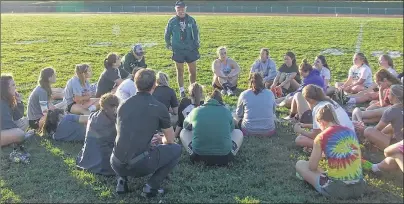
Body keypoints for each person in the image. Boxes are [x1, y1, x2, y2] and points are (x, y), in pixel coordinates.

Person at [110, 69, 181, 197]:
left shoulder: (122, 105)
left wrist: (147, 138)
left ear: (135, 83)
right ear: (155, 85)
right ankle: (151, 187)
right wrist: (160, 139)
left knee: (124, 143)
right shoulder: (159, 108)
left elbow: (123, 131)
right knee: (176, 149)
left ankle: (122, 181)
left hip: (116, 161)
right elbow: (170, 140)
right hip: (139, 165)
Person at [295, 104, 366, 199]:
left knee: (301, 164)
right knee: (326, 170)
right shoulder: (350, 132)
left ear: (321, 122)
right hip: (360, 187)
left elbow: (312, 167)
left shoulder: (321, 136)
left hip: (337, 189)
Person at [180, 90, 243, 166]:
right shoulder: (226, 111)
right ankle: (232, 153)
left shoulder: (195, 111)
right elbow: (232, 129)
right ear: (221, 101)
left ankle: (192, 150)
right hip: (225, 157)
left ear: (205, 101)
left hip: (198, 157)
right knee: (238, 132)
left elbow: (185, 125)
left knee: (183, 132)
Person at [76, 93, 120, 176]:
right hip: (104, 166)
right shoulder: (112, 122)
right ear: (114, 107)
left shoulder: (92, 116)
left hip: (86, 160)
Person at [164, 0, 200, 98]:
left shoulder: (191, 20)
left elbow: (196, 33)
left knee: (193, 71)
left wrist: (196, 44)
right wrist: (168, 44)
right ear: (176, 9)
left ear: (185, 9)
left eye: (182, 8)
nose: (181, 11)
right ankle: (182, 90)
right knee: (180, 71)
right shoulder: (172, 21)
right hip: (178, 49)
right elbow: (167, 34)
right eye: (178, 9)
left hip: (190, 49)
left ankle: (192, 89)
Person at [362, 85, 403, 150]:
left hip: (398, 146)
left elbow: (377, 129)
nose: (387, 96)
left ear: (394, 97)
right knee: (389, 129)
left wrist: (364, 129)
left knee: (368, 131)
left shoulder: (391, 110)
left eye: (388, 94)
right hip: (400, 141)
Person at [1, 75, 34, 147]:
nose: (15, 87)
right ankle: (22, 137)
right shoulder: (2, 103)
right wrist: (18, 130)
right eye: (13, 85)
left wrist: (18, 101)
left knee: (26, 120)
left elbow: (17, 117)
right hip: (3, 130)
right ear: (6, 88)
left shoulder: (7, 99)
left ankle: (12, 141)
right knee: (19, 133)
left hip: (5, 129)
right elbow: (6, 125)